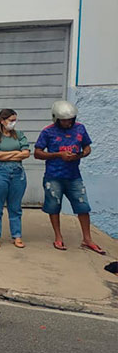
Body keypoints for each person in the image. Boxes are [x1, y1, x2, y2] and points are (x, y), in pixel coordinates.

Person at [34, 100, 105, 255]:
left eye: (70, 119)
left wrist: (80, 154)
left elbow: (87, 147)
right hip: (53, 176)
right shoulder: (48, 132)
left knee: (83, 206)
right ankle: (58, 237)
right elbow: (37, 153)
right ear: (56, 119)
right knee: (54, 207)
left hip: (74, 176)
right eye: (64, 120)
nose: (68, 123)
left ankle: (87, 239)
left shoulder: (80, 128)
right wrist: (58, 154)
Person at [0, 109, 30, 248]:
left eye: (15, 120)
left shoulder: (19, 135)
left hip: (17, 173)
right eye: (11, 120)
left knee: (15, 206)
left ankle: (17, 236)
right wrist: (16, 153)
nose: (13, 123)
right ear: (2, 121)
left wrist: (7, 154)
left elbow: (26, 153)